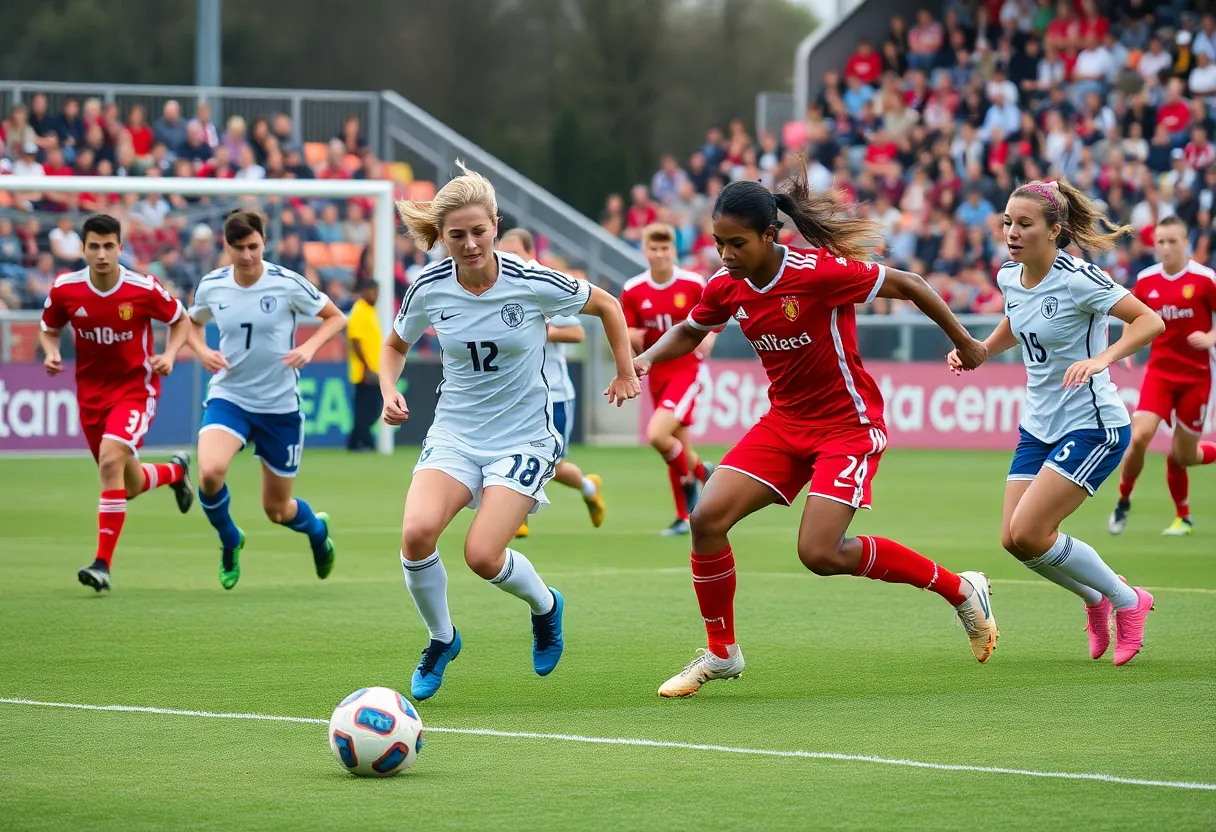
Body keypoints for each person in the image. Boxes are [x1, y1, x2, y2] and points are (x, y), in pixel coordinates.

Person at [638, 166, 997, 698]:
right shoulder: (727, 286)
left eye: (737, 243)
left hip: (846, 427)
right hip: (783, 424)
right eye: (718, 243)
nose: (726, 255)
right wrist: (642, 361)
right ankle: (722, 653)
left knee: (820, 554)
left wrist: (967, 343)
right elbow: (692, 328)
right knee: (706, 519)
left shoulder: (819, 272)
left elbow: (913, 284)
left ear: (769, 235)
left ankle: (961, 588)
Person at [380, 162, 639, 700]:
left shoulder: (531, 279)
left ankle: (546, 606)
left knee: (482, 556)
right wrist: (389, 390)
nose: (470, 244)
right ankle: (441, 639)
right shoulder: (428, 286)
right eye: (457, 235)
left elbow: (608, 306)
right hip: (454, 433)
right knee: (415, 534)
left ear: (496, 224)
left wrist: (624, 371)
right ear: (442, 237)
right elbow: (394, 345)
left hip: (524, 438)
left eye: (479, 231)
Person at [950, 179, 1164, 667]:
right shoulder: (1010, 276)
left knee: (1033, 529)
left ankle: (1129, 601)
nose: (1012, 232)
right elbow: (1016, 323)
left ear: (1055, 230)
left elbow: (1150, 321)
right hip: (1039, 426)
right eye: (1008, 222)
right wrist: (980, 350)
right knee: (1013, 539)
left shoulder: (1079, 278)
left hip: (1093, 425)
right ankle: (1094, 599)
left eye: (1025, 224)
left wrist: (1101, 359)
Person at [187, 210, 348, 590]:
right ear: (226, 247)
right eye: (239, 248)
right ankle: (230, 539)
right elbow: (191, 323)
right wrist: (201, 350)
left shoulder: (286, 283)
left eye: (253, 246)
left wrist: (308, 347)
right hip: (230, 396)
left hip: (279, 407)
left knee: (277, 510)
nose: (247, 255)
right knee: (209, 472)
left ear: (264, 243)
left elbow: (336, 317)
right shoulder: (211, 285)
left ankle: (316, 530)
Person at [38, 214, 195, 592]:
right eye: (95, 246)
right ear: (83, 249)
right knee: (127, 484)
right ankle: (175, 472)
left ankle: (102, 565)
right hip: (91, 397)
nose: (102, 254)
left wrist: (171, 354)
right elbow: (49, 327)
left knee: (111, 459)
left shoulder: (142, 288)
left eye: (110, 246)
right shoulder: (65, 289)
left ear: (121, 249)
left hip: (135, 391)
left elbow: (180, 319)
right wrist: (51, 352)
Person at [497, 228, 607, 538]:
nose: (508, 260)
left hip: (554, 395)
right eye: (504, 254)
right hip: (516, 394)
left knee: (551, 464)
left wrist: (541, 332)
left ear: (531, 255)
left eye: (515, 253)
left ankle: (587, 486)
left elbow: (577, 332)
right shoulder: (497, 289)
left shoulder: (545, 286)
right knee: (507, 452)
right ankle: (516, 519)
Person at [1109, 216, 1216, 536]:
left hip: (1197, 377)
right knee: (1139, 436)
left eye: (1172, 241)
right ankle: (1123, 501)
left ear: (1186, 243)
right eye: (1160, 242)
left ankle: (1182, 516)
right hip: (1160, 372)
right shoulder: (1146, 279)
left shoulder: (1205, 279)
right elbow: (1132, 316)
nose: (1166, 248)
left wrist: (1211, 338)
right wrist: (1126, 348)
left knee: (1184, 455)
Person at [620, 223, 716, 536]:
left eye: (665, 249)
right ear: (645, 250)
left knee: (658, 435)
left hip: (686, 369)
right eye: (654, 248)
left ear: (674, 251)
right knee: (676, 445)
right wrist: (632, 339)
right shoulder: (633, 289)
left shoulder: (691, 283)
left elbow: (713, 320)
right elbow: (631, 335)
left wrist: (706, 345)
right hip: (656, 373)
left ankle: (699, 474)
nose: (660, 254)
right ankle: (685, 513)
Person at [346, 279, 384, 452]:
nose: (376, 295)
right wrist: (366, 368)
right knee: (368, 410)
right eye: (373, 291)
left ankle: (357, 442)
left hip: (373, 369)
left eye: (377, 292)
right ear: (365, 291)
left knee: (370, 409)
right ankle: (362, 442)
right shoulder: (359, 310)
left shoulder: (369, 311)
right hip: (364, 371)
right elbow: (356, 341)